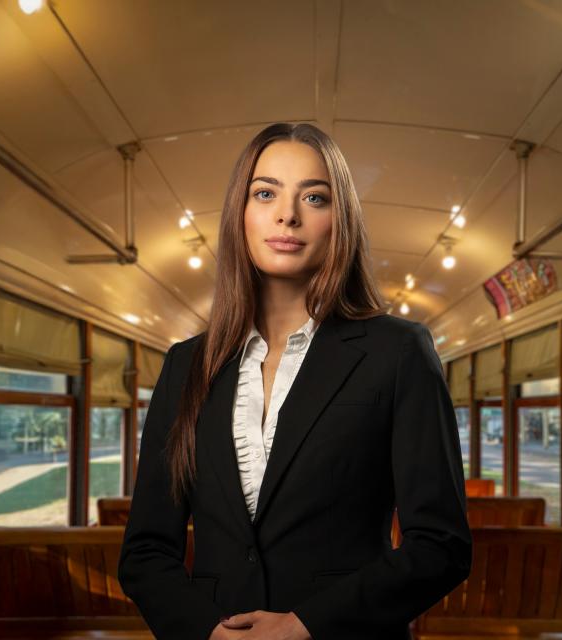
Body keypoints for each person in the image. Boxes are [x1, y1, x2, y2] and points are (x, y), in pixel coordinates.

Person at [118, 122, 472, 640]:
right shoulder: (184, 366)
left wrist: (302, 625)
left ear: (340, 219)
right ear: (240, 213)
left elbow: (440, 545)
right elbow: (146, 550)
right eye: (265, 193)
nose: (288, 214)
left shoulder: (398, 352)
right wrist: (207, 631)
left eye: (315, 196)